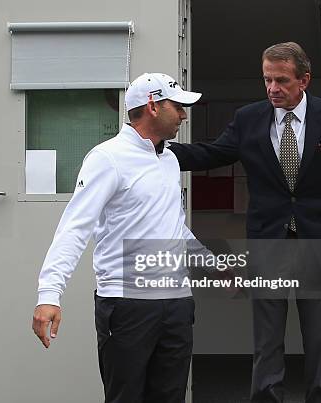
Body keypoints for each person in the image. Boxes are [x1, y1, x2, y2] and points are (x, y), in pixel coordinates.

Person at [169, 42, 321, 403]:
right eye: (267, 80)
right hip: (267, 242)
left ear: (304, 80)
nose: (272, 88)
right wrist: (157, 148)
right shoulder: (249, 118)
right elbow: (212, 152)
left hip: (316, 241)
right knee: (267, 338)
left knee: (319, 337)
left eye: (281, 80)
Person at [32, 73, 206, 403]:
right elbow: (75, 227)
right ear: (153, 106)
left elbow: (174, 229)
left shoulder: (168, 159)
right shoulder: (107, 158)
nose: (184, 115)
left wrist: (215, 265)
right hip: (128, 306)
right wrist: (49, 294)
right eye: (178, 106)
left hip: (177, 305)